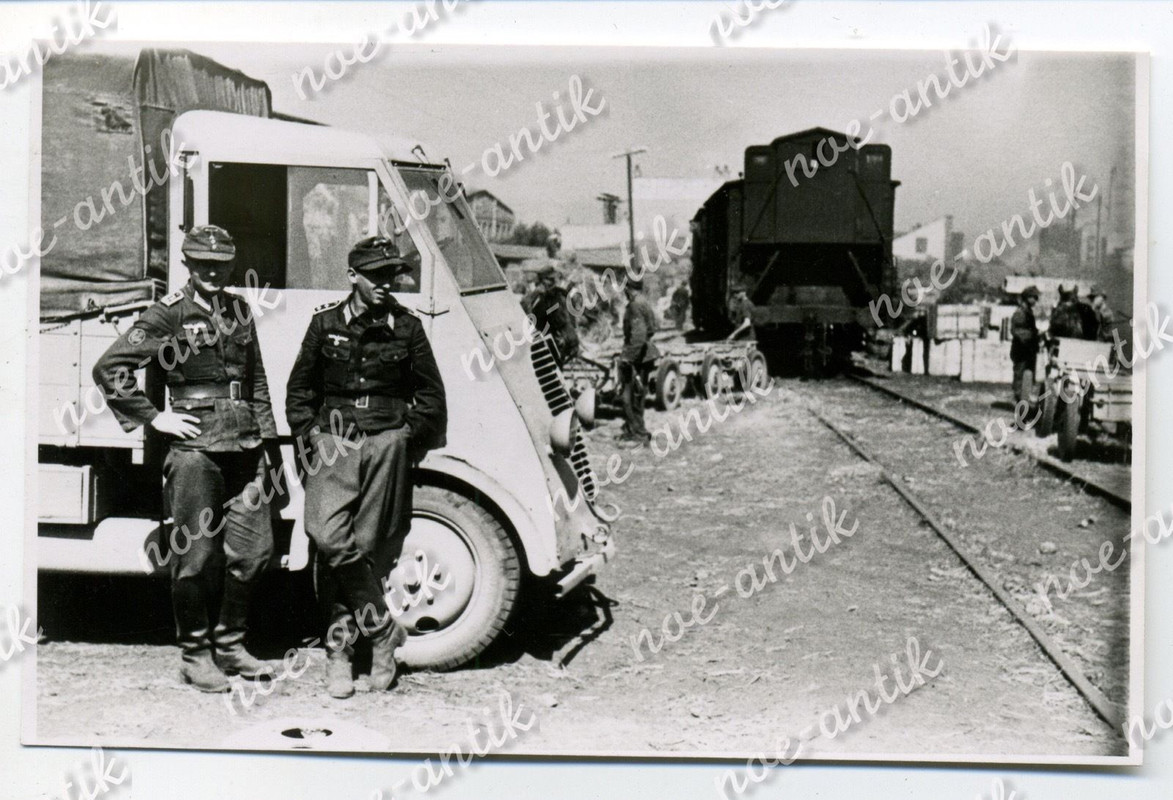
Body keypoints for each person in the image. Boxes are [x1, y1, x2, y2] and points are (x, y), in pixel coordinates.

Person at [93, 225, 278, 693]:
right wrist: (154, 418)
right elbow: (109, 368)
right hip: (194, 452)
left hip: (245, 446)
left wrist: (269, 444)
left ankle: (231, 644)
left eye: (220, 264)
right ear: (188, 265)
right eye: (202, 264)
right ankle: (195, 654)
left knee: (255, 553)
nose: (212, 272)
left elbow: (255, 380)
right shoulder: (167, 314)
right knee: (195, 559)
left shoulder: (239, 309)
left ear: (232, 264)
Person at [285, 236, 447, 699]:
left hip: (384, 441)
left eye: (391, 275)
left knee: (367, 546)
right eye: (375, 275)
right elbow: (299, 392)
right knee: (325, 535)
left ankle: (342, 655)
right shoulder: (325, 325)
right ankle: (381, 632)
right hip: (335, 441)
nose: (385, 284)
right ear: (352, 276)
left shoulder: (408, 327)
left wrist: (401, 436)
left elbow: (432, 398)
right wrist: (310, 436)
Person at [618, 278, 659, 447]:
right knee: (638, 395)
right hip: (645, 355)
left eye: (625, 288)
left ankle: (637, 434)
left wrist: (628, 357)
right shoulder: (644, 303)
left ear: (629, 289)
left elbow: (639, 334)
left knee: (627, 396)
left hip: (636, 357)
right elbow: (653, 328)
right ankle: (635, 430)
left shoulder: (634, 306)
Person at [522, 264, 580, 365]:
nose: (552, 282)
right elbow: (524, 310)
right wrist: (535, 293)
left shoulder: (558, 294)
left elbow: (568, 317)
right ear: (543, 280)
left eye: (553, 279)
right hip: (538, 341)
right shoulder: (536, 296)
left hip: (555, 340)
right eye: (549, 279)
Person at [1010, 285, 1041, 404]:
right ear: (1027, 297)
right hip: (1021, 351)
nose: (1036, 300)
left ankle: (1024, 405)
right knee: (1020, 379)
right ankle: (1020, 406)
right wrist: (1032, 336)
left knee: (1027, 379)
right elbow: (1016, 330)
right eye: (1034, 297)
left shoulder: (1028, 312)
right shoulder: (1020, 312)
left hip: (1028, 351)